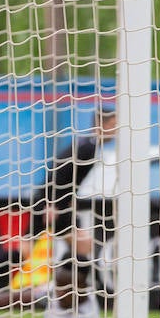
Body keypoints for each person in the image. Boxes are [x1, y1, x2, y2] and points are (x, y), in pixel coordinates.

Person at [38, 103, 117, 265]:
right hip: (53, 204)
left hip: (59, 203)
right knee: (82, 246)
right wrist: (51, 203)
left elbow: (68, 178)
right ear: (101, 124)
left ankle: (67, 280)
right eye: (113, 125)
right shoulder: (87, 148)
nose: (116, 131)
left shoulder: (88, 145)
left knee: (81, 246)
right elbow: (59, 174)